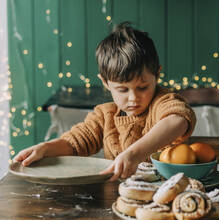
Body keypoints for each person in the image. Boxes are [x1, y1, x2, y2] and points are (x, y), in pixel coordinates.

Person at [13, 22, 196, 182]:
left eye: (142, 87)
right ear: (105, 82)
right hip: (120, 199)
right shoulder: (105, 115)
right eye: (122, 90)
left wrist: (134, 153)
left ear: (157, 75)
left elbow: (178, 120)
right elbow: (75, 143)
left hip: (170, 196)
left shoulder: (163, 101)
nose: (133, 98)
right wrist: (45, 148)